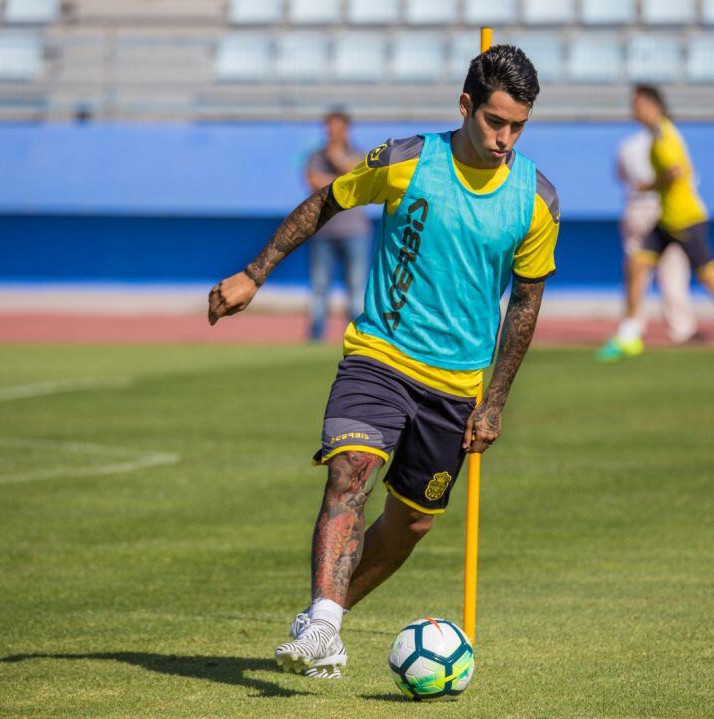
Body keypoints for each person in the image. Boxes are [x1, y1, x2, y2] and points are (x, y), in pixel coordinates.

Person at [207, 46, 559, 679]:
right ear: (465, 106)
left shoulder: (537, 200)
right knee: (350, 471)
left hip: (455, 387)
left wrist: (497, 399)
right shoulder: (406, 160)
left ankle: (324, 615)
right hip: (380, 356)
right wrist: (254, 274)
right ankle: (323, 625)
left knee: (411, 524)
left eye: (518, 126)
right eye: (495, 122)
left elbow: (526, 303)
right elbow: (326, 202)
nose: (505, 138)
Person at [597, 85, 714, 367]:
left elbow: (677, 172)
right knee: (637, 265)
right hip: (666, 219)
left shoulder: (664, 136)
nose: (632, 109)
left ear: (652, 105)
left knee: (711, 277)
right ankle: (629, 334)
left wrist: (650, 184)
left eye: (636, 103)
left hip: (685, 219)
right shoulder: (657, 135)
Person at [615, 128, 698, 345]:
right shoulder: (672, 141)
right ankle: (681, 328)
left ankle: (633, 328)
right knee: (673, 271)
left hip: (635, 207)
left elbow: (620, 176)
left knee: (636, 271)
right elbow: (685, 178)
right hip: (662, 208)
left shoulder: (628, 144)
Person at [304, 110, 372, 342]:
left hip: (354, 231)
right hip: (323, 231)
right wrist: (343, 181)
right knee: (319, 287)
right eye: (328, 128)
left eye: (336, 128)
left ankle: (358, 338)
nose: (331, 133)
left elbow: (361, 178)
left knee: (356, 288)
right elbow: (313, 182)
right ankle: (316, 337)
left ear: (346, 129)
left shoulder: (360, 154)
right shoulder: (315, 155)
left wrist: (336, 161)